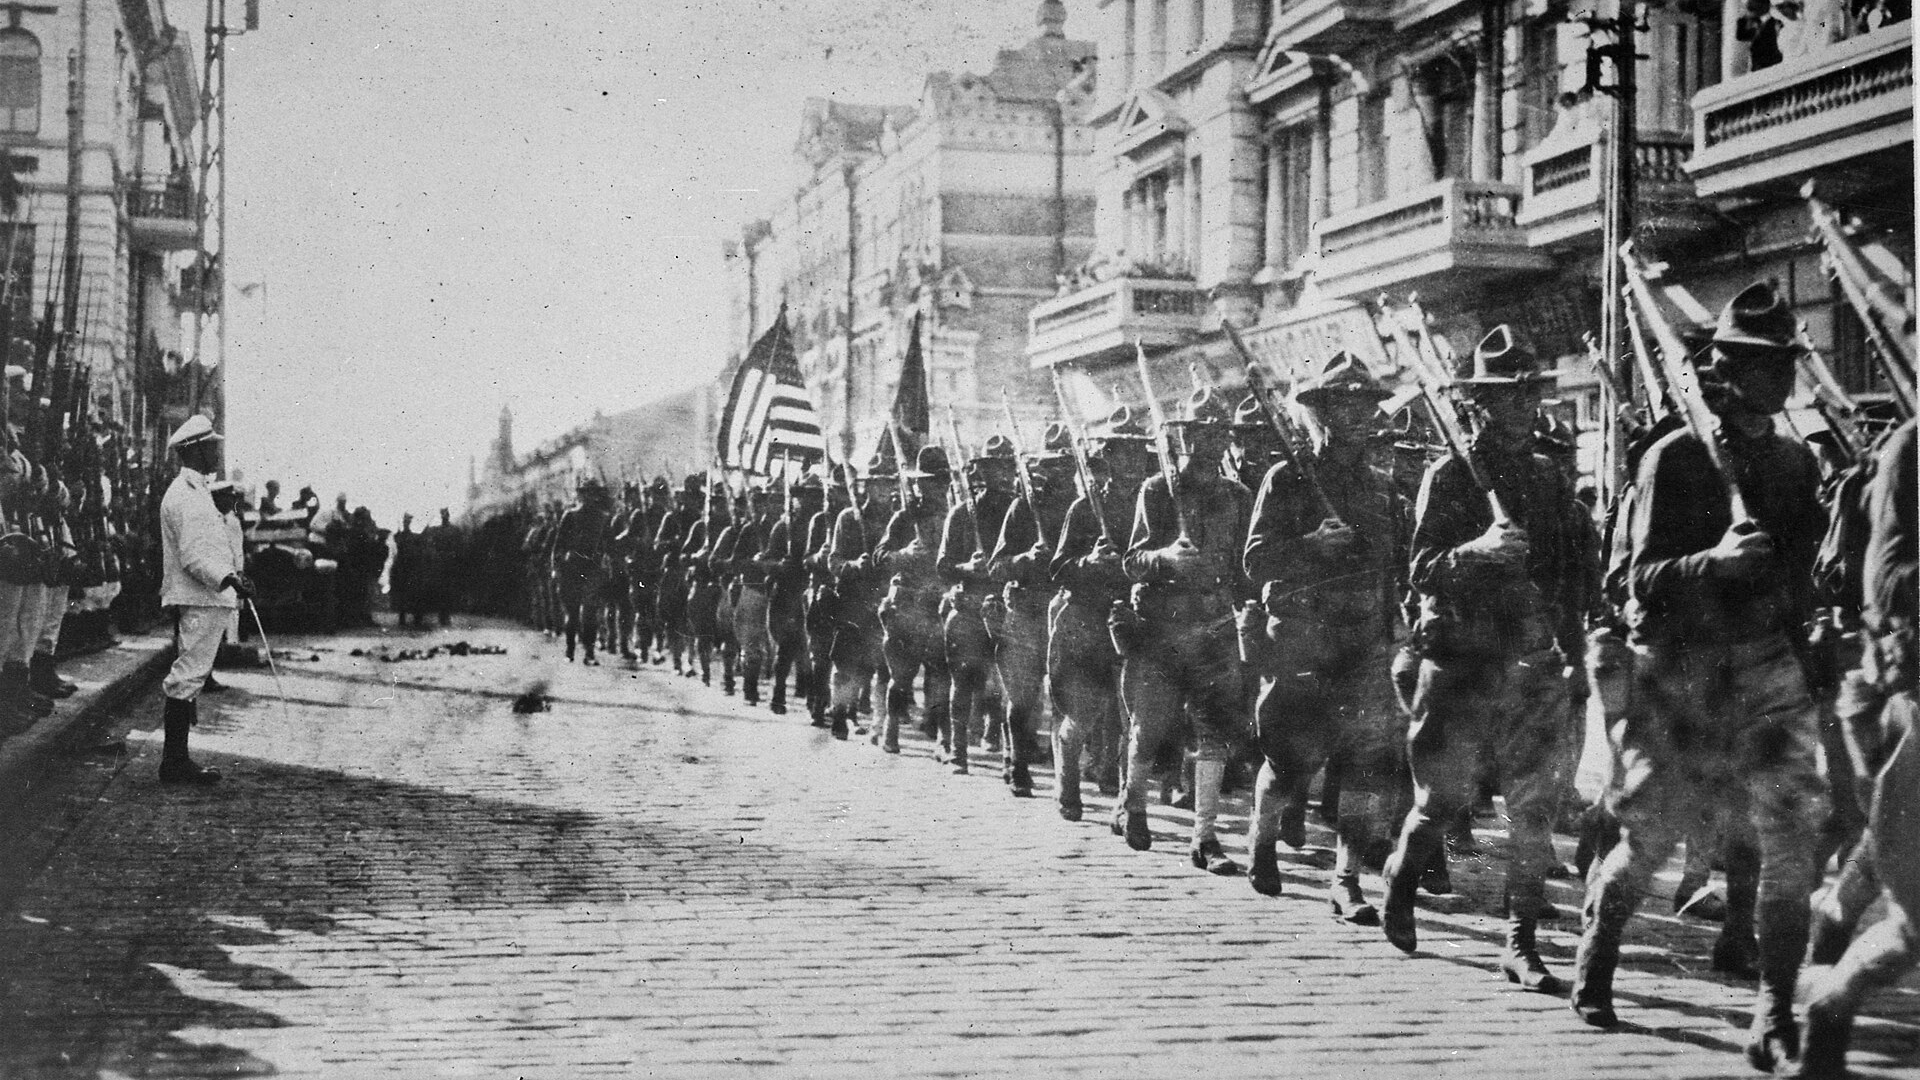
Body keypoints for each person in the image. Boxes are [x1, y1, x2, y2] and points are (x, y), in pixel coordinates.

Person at [1569, 284, 1830, 1074]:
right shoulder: (1675, 456)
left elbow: (1807, 572)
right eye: (1762, 364)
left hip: (1768, 670)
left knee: (1790, 843)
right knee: (1649, 838)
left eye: (1785, 362)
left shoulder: (1794, 461)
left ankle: (1776, 1007)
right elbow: (1629, 578)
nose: (1779, 378)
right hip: (1681, 672)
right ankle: (1598, 953)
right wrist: (1708, 564)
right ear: (1727, 369)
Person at [1379, 326, 1587, 995]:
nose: (1524, 406)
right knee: (1440, 802)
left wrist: (1570, 649)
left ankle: (1520, 941)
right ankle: (1402, 880)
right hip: (1462, 660)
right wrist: (1479, 552)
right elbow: (1420, 568)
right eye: (1508, 396)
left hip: (1528, 662)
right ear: (1480, 404)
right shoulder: (1451, 474)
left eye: (1530, 392)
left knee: (1532, 810)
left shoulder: (1550, 478)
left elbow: (1565, 574)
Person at [1242, 352, 1407, 922]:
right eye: (1345, 404)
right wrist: (1311, 547)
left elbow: (1395, 564)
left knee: (1363, 764)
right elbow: (1256, 560)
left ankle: (1346, 881)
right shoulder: (1285, 478)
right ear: (1322, 413)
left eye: (1366, 404)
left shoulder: (1380, 487)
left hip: (1364, 641)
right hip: (1303, 638)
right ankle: (1262, 843)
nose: (1359, 415)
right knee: (1291, 762)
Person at [1798, 417, 1916, 1078]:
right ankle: (1831, 1003)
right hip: (1902, 689)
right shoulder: (1909, 449)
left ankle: (1834, 924)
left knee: (1884, 838)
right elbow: (1889, 581)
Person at [1117, 385, 1253, 877]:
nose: (1212, 443)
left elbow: (1243, 565)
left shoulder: (1238, 496)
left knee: (1215, 732)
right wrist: (1165, 558)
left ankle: (1205, 836)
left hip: (1215, 629)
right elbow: (1131, 561)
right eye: (1202, 433)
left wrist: (1249, 607)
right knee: (1150, 728)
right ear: (1186, 437)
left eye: (1220, 434)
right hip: (1162, 631)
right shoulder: (1157, 490)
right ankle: (1133, 803)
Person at [1047, 406, 1151, 820]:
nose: (1130, 463)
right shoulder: (1084, 508)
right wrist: (1090, 563)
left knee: (1135, 721)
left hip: (1135, 621)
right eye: (1121, 454)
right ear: (1106, 459)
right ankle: (1067, 775)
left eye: (1137, 454)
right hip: (1089, 622)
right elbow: (1057, 567)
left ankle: (1128, 806)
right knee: (1084, 714)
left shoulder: (1155, 503)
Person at [157, 415, 252, 785]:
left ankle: (178, 759)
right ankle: (174, 762)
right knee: (187, 676)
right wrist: (227, 578)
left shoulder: (197, 493)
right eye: (211, 445)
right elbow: (194, 556)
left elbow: (209, 549)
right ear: (194, 449)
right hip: (200, 597)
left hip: (207, 597)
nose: (216, 450)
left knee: (191, 676)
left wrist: (232, 576)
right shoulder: (185, 495)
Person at [986, 424, 1076, 798]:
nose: (1060, 472)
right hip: (1025, 612)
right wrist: (1027, 558)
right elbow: (997, 565)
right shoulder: (1024, 507)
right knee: (1021, 698)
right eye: (1053, 465)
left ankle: (1063, 779)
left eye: (1066, 464)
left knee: (1066, 699)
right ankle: (1017, 762)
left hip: (1065, 614)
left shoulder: (1082, 506)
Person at [940, 438, 1017, 773]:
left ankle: (1011, 758)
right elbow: (943, 565)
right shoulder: (962, 514)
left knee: (1009, 687)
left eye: (1006, 466)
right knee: (963, 682)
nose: (1000, 474)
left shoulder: (1020, 511)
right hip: (969, 605)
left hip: (1007, 608)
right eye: (993, 467)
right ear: (981, 472)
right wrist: (966, 569)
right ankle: (958, 750)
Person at [877, 446, 953, 755]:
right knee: (902, 675)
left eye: (937, 481)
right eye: (925, 481)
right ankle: (890, 728)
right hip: (907, 603)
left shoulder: (955, 515)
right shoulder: (904, 517)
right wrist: (906, 554)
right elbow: (879, 557)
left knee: (941, 674)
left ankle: (943, 739)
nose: (930, 487)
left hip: (938, 604)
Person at [551, 479, 614, 663]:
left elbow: (609, 544)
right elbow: (558, 545)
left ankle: (589, 652)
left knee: (590, 612)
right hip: (571, 568)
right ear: (580, 495)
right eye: (585, 493)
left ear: (596, 496)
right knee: (572, 612)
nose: (588, 497)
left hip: (593, 568)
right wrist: (556, 568)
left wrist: (608, 561)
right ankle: (570, 650)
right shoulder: (570, 516)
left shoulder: (603, 518)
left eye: (592, 493)